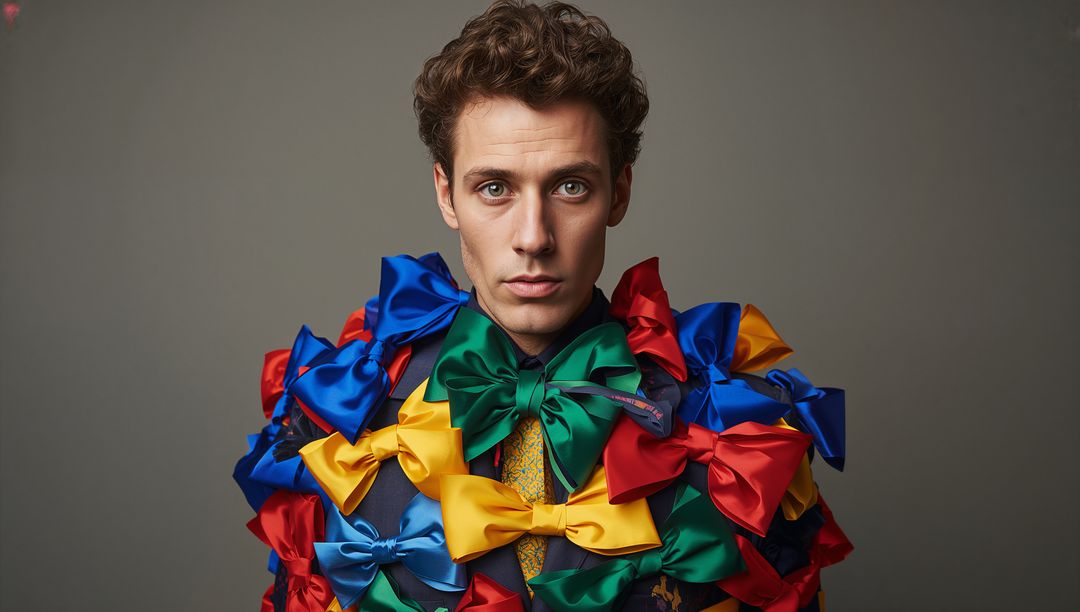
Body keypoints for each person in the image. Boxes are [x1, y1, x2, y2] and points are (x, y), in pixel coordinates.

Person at [234, 2, 852, 610]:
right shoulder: (335, 419)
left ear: (619, 193)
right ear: (446, 195)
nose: (533, 237)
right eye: (494, 188)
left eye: (570, 186)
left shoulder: (743, 435)